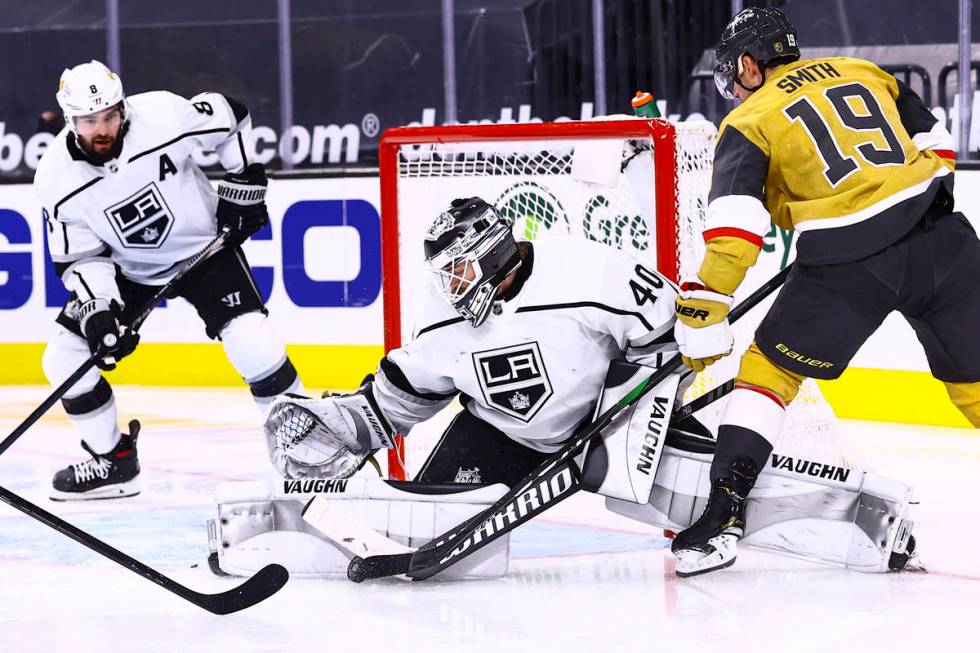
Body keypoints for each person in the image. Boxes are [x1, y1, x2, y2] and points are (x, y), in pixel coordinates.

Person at [670, 7, 980, 576]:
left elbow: (736, 231)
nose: (734, 90)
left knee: (768, 369)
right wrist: (898, 202)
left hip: (850, 262)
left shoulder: (751, 118)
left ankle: (723, 516)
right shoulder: (865, 71)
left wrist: (703, 310)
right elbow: (939, 145)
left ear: (748, 63)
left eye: (734, 77)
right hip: (944, 240)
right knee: (975, 384)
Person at [262, 197, 683, 486]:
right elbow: (413, 386)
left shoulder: (587, 269)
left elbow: (667, 334)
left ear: (493, 252)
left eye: (458, 270)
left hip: (615, 428)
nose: (451, 287)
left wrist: (633, 418)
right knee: (424, 532)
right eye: (444, 275)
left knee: (699, 503)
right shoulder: (443, 314)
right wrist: (349, 421)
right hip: (501, 434)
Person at [35, 60, 304, 501]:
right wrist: (100, 313)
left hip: (205, 252)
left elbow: (228, 115)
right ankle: (113, 463)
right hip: (128, 269)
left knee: (255, 344)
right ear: (70, 120)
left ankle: (306, 451)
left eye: (109, 116)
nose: (102, 129)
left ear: (122, 107)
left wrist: (244, 179)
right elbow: (81, 257)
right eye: (89, 121)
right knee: (63, 359)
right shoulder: (55, 177)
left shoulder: (160, 114)